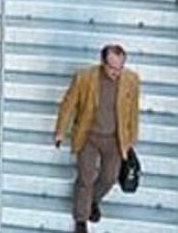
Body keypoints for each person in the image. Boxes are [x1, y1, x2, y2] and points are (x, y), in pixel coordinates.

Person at [54, 44, 141, 233]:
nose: (116, 72)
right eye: (112, 67)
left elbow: (133, 111)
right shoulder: (85, 78)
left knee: (109, 177)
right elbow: (68, 104)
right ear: (103, 63)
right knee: (85, 177)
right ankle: (81, 218)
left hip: (114, 138)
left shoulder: (131, 80)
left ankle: (92, 200)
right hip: (89, 135)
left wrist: (131, 138)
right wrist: (61, 131)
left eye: (120, 67)